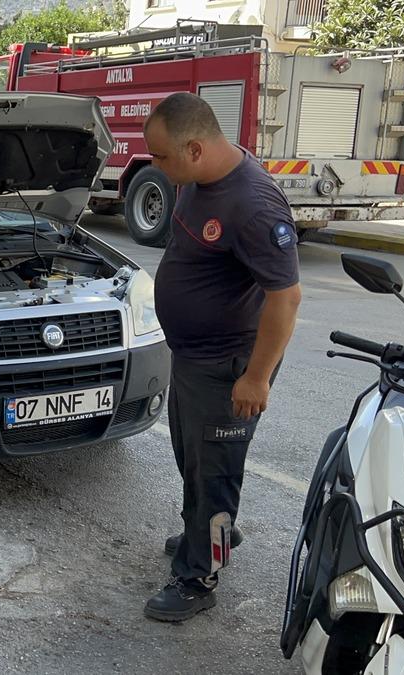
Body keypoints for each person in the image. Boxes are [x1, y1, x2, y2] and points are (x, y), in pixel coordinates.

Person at [142, 93, 302, 622]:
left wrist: (256, 379)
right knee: (194, 460)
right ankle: (208, 531)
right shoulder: (200, 179)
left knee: (215, 472)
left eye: (161, 158)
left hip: (229, 365)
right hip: (193, 358)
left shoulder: (253, 204)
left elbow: (285, 298)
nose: (157, 169)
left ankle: (199, 576)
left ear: (193, 148)